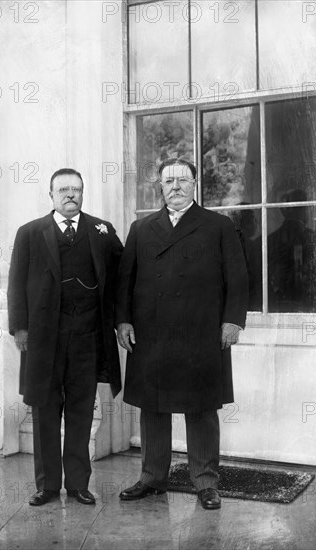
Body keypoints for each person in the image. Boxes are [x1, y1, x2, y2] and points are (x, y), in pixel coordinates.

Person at [116, 159, 248, 510]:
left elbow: (238, 278)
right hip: (151, 332)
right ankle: (152, 477)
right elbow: (124, 281)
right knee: (152, 406)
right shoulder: (141, 228)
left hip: (201, 331)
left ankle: (205, 483)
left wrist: (233, 321)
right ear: (160, 186)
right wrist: (123, 321)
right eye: (168, 180)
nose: (175, 186)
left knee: (201, 407)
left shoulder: (219, 226)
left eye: (182, 180)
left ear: (195, 184)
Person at [7, 168, 123, 506]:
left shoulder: (101, 231)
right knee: (44, 410)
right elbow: (16, 283)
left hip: (87, 338)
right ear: (51, 194)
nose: (70, 195)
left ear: (83, 193)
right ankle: (46, 486)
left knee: (81, 411)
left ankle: (77, 485)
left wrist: (120, 320)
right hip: (44, 339)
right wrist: (21, 328)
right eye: (63, 190)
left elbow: (121, 276)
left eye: (76, 189)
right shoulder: (30, 233)